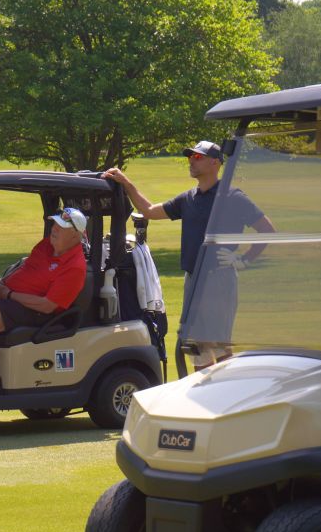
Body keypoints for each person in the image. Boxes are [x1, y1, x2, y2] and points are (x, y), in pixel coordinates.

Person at [103, 141, 276, 369]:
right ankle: (200, 393)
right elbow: (150, 211)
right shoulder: (189, 198)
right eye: (190, 157)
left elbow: (267, 230)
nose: (191, 161)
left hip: (219, 278)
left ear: (215, 163)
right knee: (195, 345)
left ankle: (223, 397)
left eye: (197, 157)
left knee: (218, 345)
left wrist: (243, 259)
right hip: (193, 278)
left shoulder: (233, 196)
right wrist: (126, 183)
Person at [0, 208, 89, 397]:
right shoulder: (47, 246)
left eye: (60, 227)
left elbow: (48, 305)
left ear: (75, 235)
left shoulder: (75, 267)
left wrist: (10, 294)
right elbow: (27, 270)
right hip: (13, 304)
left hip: (37, 313)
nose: (54, 229)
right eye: (54, 224)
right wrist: (2, 285)